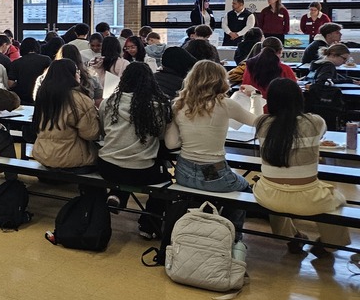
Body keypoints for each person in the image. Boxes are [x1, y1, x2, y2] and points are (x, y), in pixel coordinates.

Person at [250, 78, 348, 257]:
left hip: (268, 195)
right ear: (299, 97)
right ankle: (330, 245)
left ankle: (291, 237)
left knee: (274, 188)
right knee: (337, 199)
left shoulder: (261, 123)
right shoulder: (315, 122)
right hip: (309, 198)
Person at [97, 62, 172, 238]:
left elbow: (101, 131)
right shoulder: (157, 107)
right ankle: (149, 226)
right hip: (142, 171)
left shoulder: (109, 103)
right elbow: (161, 136)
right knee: (165, 180)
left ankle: (117, 196)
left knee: (123, 162)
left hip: (108, 166)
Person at [165, 60, 260, 198]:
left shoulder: (178, 104)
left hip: (182, 172)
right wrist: (255, 95)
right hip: (214, 172)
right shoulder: (225, 104)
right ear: (220, 80)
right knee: (244, 189)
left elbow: (171, 144)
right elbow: (257, 121)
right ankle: (229, 220)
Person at [30, 59, 100, 172]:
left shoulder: (43, 95)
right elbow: (91, 134)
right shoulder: (79, 99)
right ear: (70, 75)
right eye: (76, 71)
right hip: (72, 159)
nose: (79, 75)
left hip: (43, 155)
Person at [8, 37, 51, 104]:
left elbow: (10, 84)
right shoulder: (46, 60)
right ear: (37, 47)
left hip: (22, 98)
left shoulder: (16, 63)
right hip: (41, 96)